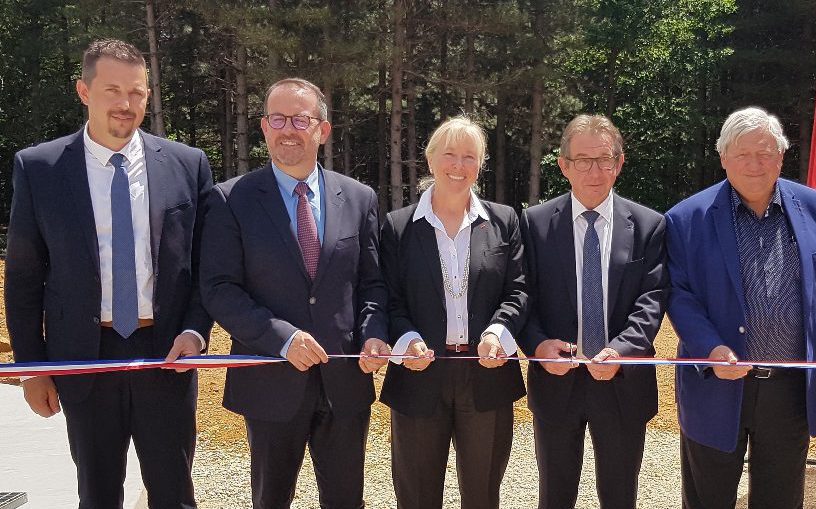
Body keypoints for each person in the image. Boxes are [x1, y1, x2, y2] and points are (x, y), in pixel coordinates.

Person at [4, 38, 213, 508]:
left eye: (137, 92)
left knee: (175, 495)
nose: (126, 104)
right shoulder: (40, 168)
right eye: (112, 90)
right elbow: (22, 278)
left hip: (166, 356)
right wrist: (33, 369)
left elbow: (205, 267)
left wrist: (195, 331)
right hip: (83, 357)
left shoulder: (187, 164)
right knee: (97, 495)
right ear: (83, 91)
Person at [200, 77, 390, 509]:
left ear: (323, 130)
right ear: (264, 127)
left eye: (300, 119)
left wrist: (374, 332)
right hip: (269, 383)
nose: (288, 129)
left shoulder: (359, 198)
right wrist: (281, 337)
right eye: (278, 119)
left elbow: (372, 284)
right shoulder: (231, 200)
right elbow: (219, 289)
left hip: (344, 384)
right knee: (271, 501)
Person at [664, 107, 816, 509]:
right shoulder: (686, 218)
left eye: (765, 152)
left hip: (791, 388)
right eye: (742, 154)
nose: (755, 163)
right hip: (715, 383)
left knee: (780, 498)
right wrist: (709, 346)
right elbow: (678, 293)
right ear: (723, 157)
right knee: (708, 497)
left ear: (781, 156)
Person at [378, 116, 528, 509]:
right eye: (449, 155)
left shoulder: (504, 221)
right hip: (418, 376)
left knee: (482, 495)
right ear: (430, 161)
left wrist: (498, 332)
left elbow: (519, 291)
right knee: (417, 495)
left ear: (480, 165)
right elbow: (387, 299)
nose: (458, 166)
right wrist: (407, 340)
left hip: (487, 376)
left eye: (469, 157)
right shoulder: (397, 227)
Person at [520, 114, 668, 508]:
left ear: (619, 163)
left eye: (604, 159)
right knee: (555, 495)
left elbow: (651, 302)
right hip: (556, 382)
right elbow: (523, 296)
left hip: (623, 382)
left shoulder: (649, 225)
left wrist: (621, 350)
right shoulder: (534, 224)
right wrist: (536, 345)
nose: (594, 170)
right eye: (582, 160)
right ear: (564, 165)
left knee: (620, 496)